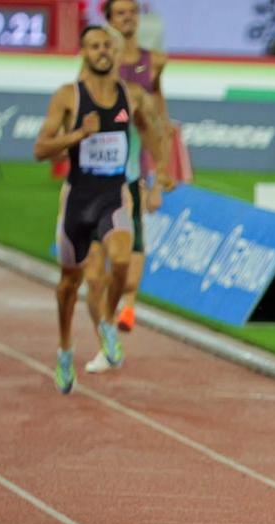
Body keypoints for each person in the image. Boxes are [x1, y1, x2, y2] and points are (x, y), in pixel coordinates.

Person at [32, 25, 164, 393]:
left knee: (121, 258)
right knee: (69, 287)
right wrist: (78, 135)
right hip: (78, 198)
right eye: (94, 46)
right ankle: (64, 348)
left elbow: (154, 131)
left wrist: (161, 171)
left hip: (114, 193)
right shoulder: (68, 97)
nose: (102, 51)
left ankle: (107, 323)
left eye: (107, 45)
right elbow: (41, 149)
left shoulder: (131, 95)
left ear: (116, 51)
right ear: (84, 52)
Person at [102, 0, 173, 334]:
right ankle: (111, 296)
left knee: (134, 231)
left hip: (134, 163)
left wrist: (160, 174)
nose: (128, 18)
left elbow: (159, 118)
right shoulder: (98, 61)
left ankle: (128, 305)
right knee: (105, 238)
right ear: (109, 19)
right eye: (121, 13)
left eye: (132, 12)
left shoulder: (154, 62)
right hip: (100, 166)